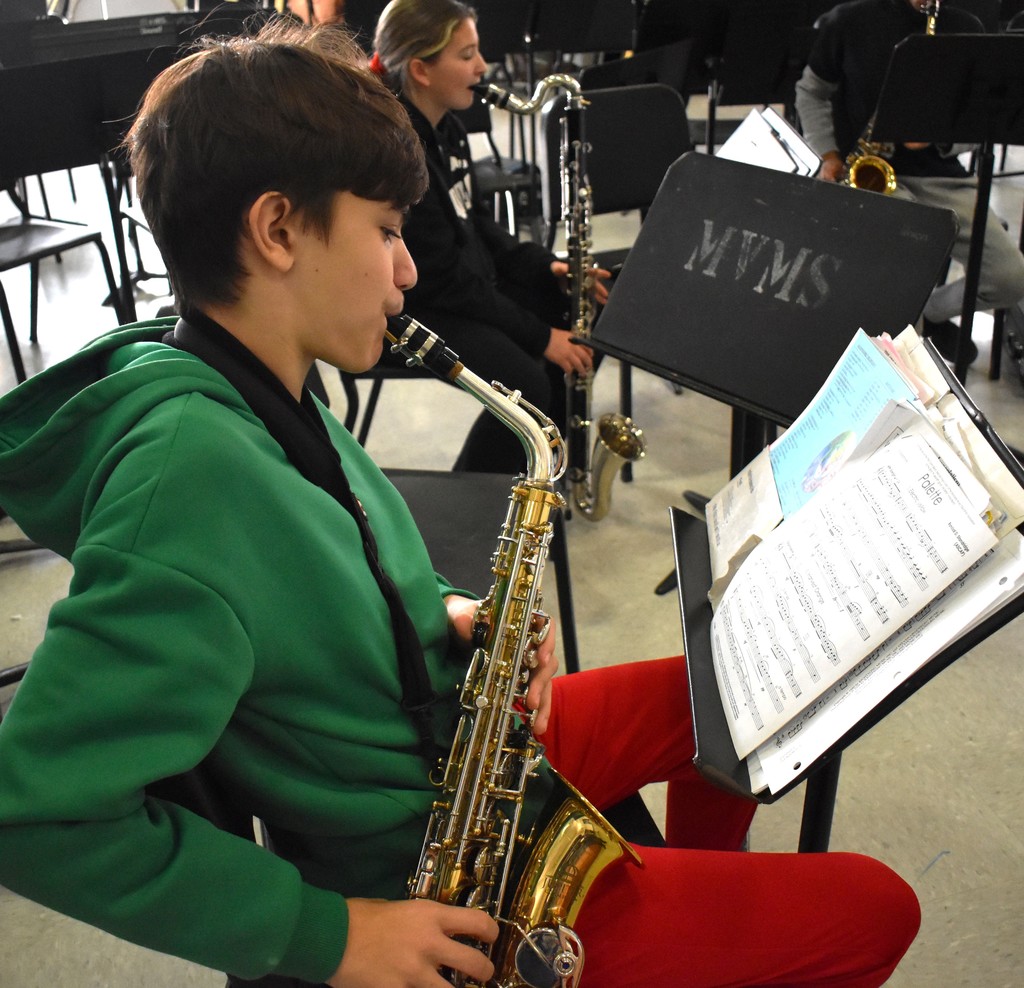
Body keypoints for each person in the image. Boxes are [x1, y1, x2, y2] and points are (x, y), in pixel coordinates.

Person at [0, 18, 920, 988]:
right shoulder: (184, 484)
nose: (407, 271)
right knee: (873, 908)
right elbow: (35, 814)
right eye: (387, 230)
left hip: (448, 741)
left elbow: (326, 573)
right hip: (428, 870)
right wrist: (329, 936)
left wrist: (447, 611)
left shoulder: (267, 376)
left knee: (729, 696)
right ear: (277, 231)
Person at [370, 0, 607, 474]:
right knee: (528, 393)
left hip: (457, 288)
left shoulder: (446, 127)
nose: (483, 67)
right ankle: (476, 503)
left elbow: (474, 222)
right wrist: (540, 337)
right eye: (467, 55)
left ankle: (545, 469)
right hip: (415, 305)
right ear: (421, 69)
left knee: (577, 322)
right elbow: (442, 279)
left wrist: (544, 265)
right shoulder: (395, 149)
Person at [794, 0, 1024, 364]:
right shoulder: (851, 19)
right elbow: (811, 91)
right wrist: (827, 153)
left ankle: (929, 312)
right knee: (905, 269)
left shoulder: (966, 25)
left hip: (942, 176)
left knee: (1011, 277)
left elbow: (979, 117)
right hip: (868, 173)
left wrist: (938, 135)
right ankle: (904, 375)